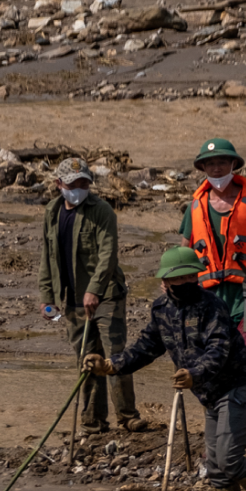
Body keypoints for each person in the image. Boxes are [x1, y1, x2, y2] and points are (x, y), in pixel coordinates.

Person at [86, 248, 246, 491]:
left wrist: (195, 373)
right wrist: (109, 366)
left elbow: (219, 349)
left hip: (242, 389)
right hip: (211, 398)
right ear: (164, 283)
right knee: (216, 465)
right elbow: (145, 347)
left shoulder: (212, 306)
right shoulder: (161, 310)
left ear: (197, 277)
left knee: (230, 460)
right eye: (177, 280)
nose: (185, 284)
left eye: (190, 278)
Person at [182, 136, 246, 455]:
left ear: (233, 166)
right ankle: (221, 429)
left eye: (222, 163)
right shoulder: (195, 207)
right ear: (203, 168)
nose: (216, 168)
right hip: (207, 299)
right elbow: (184, 251)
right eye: (210, 164)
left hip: (245, 295)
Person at [40, 156, 144, 434]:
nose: (79, 187)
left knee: (115, 356)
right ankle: (93, 419)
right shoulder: (52, 211)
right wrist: (47, 296)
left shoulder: (102, 211)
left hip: (107, 295)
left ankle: (127, 416)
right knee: (87, 358)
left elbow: (108, 255)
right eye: (74, 183)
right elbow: (47, 257)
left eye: (85, 182)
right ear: (58, 184)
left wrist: (94, 290)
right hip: (72, 298)